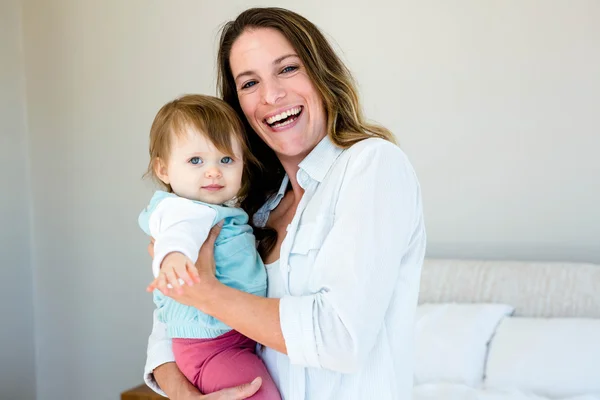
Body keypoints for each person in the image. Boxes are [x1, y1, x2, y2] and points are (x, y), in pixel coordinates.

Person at [144, 7, 426, 400]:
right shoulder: (250, 205)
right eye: (249, 83)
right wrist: (185, 394)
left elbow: (339, 337)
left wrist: (205, 291)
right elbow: (171, 322)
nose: (271, 95)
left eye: (288, 69)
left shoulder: (373, 166)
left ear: (320, 72)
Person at [139, 94, 281, 399]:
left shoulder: (221, 210)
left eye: (226, 159)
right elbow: (178, 236)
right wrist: (175, 260)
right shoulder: (184, 210)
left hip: (229, 336)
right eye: (195, 161)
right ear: (163, 170)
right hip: (212, 345)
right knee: (258, 394)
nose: (214, 171)